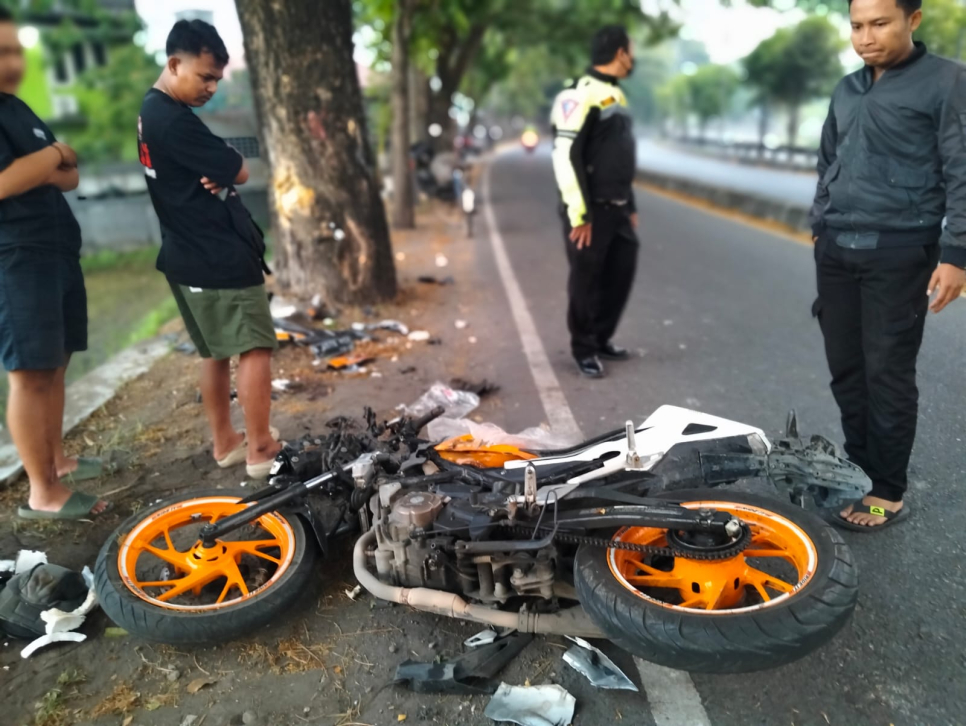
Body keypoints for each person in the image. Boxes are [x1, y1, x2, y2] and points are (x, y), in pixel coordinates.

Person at [809, 0, 966, 530]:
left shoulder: (946, 82)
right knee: (847, 371)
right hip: (835, 250)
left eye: (880, 23)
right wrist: (818, 223)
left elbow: (962, 168)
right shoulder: (848, 88)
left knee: (888, 372)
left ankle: (887, 491)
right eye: (857, 25)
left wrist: (957, 254)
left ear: (912, 20)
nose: (866, 37)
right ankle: (859, 471)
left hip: (899, 250)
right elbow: (827, 159)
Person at [139, 19, 281, 479]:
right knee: (255, 346)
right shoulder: (173, 120)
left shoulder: (150, 111)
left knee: (214, 352)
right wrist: (223, 163)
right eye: (205, 76)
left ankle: (226, 442)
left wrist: (217, 162)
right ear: (174, 63)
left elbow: (219, 164)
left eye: (217, 78)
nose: (213, 87)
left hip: (184, 254)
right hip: (216, 254)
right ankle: (260, 447)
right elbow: (238, 168)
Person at [0, 7, 109, 520]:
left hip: (56, 249)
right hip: (16, 257)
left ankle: (57, 461)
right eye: (2, 51)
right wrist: (53, 156)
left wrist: (45, 165)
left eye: (17, 49)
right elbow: (6, 182)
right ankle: (42, 492)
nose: (14, 61)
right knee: (30, 374)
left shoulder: (17, 108)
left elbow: (71, 176)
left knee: (57, 362)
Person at [550, 25, 639, 379]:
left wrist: (629, 206)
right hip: (588, 211)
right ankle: (583, 348)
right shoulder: (577, 95)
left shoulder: (616, 95)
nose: (633, 57)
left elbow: (617, 157)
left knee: (620, 274)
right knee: (587, 280)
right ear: (620, 53)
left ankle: (601, 338)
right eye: (631, 50)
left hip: (618, 207)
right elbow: (565, 156)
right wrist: (579, 214)